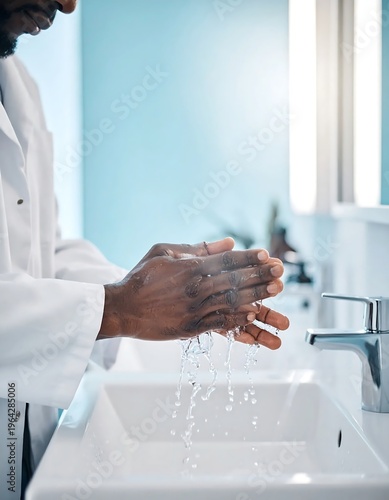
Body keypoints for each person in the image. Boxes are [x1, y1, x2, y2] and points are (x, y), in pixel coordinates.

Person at [0, 1, 289, 498]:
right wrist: (121, 308)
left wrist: (164, 293)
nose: (68, 5)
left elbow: (43, 251)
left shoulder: (17, 83)